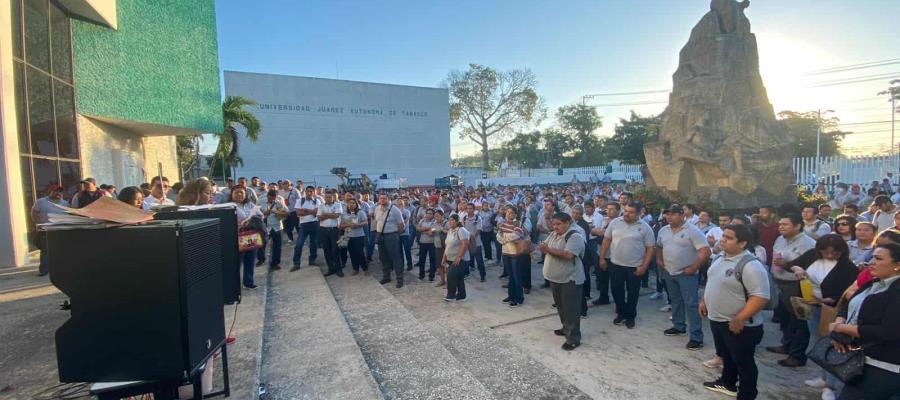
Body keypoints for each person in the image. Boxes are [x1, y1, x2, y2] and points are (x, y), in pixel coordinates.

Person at [786, 234, 860, 399]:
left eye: (835, 253)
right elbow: (790, 265)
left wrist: (823, 300)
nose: (830, 256)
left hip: (830, 309)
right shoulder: (812, 256)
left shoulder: (847, 267)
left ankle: (831, 384)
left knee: (831, 345)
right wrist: (797, 268)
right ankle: (823, 376)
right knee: (817, 341)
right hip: (811, 305)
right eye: (826, 252)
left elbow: (844, 294)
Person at [700, 224, 770, 400]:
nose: (722, 239)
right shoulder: (719, 257)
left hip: (740, 324)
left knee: (743, 361)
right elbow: (712, 281)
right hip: (718, 319)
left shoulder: (751, 265)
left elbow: (760, 297)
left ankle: (747, 394)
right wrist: (704, 300)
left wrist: (740, 319)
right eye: (723, 236)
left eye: (729, 238)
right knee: (727, 355)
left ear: (743, 243)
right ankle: (727, 382)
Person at [831, 243, 900, 400]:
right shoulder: (872, 283)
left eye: (878, 258)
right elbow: (847, 306)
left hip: (884, 366)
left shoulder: (897, 291)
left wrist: (842, 328)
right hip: (859, 360)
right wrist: (839, 327)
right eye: (872, 257)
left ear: (897, 265)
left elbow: (888, 331)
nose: (871, 262)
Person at [656, 204, 711, 350]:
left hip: (687, 274)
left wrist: (693, 268)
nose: (669, 217)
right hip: (669, 271)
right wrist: (659, 260)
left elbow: (705, 251)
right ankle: (679, 326)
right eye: (667, 214)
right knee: (675, 300)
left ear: (682, 215)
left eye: (673, 214)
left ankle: (696, 337)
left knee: (691, 305)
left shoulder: (693, 231)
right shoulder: (664, 230)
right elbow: (659, 246)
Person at [769, 214, 817, 367]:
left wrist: (788, 264)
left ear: (797, 226)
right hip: (780, 284)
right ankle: (786, 345)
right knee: (784, 319)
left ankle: (797, 355)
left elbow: (809, 266)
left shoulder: (808, 243)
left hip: (797, 286)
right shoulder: (780, 239)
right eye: (780, 224)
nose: (781, 227)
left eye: (785, 224)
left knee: (799, 322)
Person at [600, 201, 655, 329]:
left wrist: (644, 266)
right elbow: (606, 240)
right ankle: (620, 313)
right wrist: (602, 258)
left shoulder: (645, 227)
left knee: (633, 293)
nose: (626, 214)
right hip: (616, 264)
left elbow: (650, 248)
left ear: (639, 213)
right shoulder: (615, 223)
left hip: (635, 266)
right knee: (616, 290)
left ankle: (630, 316)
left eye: (631, 212)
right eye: (625, 211)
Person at [540, 212, 585, 350]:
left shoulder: (574, 236)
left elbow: (568, 254)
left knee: (571, 309)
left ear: (568, 223)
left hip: (569, 279)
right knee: (561, 307)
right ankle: (566, 329)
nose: (555, 227)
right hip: (556, 279)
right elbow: (544, 245)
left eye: (558, 224)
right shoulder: (554, 234)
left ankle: (573, 338)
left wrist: (547, 249)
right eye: (554, 224)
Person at [31, 185, 69, 276]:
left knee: (60, 250)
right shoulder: (41, 202)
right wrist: (38, 224)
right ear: (50, 191)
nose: (58, 193)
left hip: (60, 230)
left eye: (60, 192)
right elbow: (34, 212)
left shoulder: (65, 204)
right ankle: (44, 270)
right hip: (45, 230)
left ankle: (60, 269)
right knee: (45, 251)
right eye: (56, 191)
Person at [231, 186, 263, 289]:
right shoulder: (228, 206)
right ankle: (233, 285)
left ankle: (248, 282)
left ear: (245, 194)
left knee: (250, 259)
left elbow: (261, 216)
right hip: (235, 236)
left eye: (241, 192)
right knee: (236, 261)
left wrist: (251, 221)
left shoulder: (250, 205)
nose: (239, 194)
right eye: (236, 192)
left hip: (250, 235)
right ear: (231, 194)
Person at [498, 206, 530, 307]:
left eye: (511, 212)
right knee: (511, 276)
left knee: (516, 276)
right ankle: (511, 296)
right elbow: (498, 236)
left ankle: (519, 298)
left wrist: (504, 238)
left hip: (515, 253)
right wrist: (503, 239)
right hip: (506, 252)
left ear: (515, 214)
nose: (509, 214)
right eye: (507, 212)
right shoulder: (503, 224)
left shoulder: (518, 224)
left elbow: (516, 235)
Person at [375, 194, 406, 288]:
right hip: (380, 235)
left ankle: (399, 279)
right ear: (378, 200)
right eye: (381, 198)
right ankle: (386, 277)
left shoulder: (395, 210)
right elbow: (377, 221)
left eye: (384, 198)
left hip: (392, 236)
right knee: (383, 257)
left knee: (396, 258)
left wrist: (395, 234)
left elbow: (401, 225)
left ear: (389, 199)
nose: (382, 200)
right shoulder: (377, 209)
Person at [592, 201, 619, 306]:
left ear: (618, 210)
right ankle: (603, 298)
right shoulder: (604, 220)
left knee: (615, 281)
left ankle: (618, 303)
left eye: (612, 209)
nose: (610, 211)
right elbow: (594, 230)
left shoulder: (619, 222)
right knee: (601, 278)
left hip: (613, 255)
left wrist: (598, 231)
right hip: (601, 253)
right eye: (608, 209)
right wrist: (597, 231)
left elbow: (605, 233)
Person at [291, 186, 321, 270]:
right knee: (299, 245)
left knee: (313, 244)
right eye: (308, 191)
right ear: (305, 192)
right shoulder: (300, 201)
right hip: (304, 225)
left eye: (311, 191)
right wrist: (312, 212)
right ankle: (296, 264)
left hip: (315, 224)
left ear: (314, 192)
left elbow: (317, 212)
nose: (309, 193)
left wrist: (305, 210)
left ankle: (312, 260)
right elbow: (298, 213)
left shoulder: (317, 201)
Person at [443, 214, 470, 301]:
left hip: (460, 259)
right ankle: (462, 295)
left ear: (457, 221)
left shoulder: (461, 230)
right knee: (458, 277)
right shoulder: (450, 230)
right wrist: (444, 257)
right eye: (449, 220)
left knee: (451, 275)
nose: (450, 222)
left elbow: (465, 244)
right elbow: (447, 245)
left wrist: (459, 257)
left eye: (452, 220)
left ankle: (451, 295)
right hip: (450, 258)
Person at [260, 189, 288, 271]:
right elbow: (257, 214)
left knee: (277, 247)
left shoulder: (279, 203)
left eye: (274, 198)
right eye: (271, 197)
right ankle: (261, 259)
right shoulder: (261, 202)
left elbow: (287, 213)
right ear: (267, 196)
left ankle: (275, 263)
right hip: (265, 227)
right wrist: (265, 213)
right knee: (262, 244)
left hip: (277, 227)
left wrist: (275, 212)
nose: (272, 199)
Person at [339, 198, 369, 275]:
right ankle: (355, 269)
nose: (351, 205)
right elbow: (341, 225)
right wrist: (349, 225)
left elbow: (365, 222)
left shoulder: (360, 212)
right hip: (348, 236)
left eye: (353, 203)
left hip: (359, 236)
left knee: (360, 253)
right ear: (347, 205)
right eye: (350, 203)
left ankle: (365, 268)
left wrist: (358, 225)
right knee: (352, 253)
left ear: (356, 205)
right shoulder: (344, 214)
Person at [318, 190, 344, 277]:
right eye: (326, 197)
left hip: (334, 230)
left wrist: (325, 214)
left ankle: (338, 269)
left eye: (329, 197)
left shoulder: (337, 205)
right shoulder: (321, 205)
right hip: (323, 230)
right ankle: (331, 268)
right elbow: (319, 218)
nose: (327, 199)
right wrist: (330, 215)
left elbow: (336, 215)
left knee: (335, 249)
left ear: (333, 197)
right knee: (326, 250)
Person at [462, 203, 487, 282]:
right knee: (466, 259)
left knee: (479, 260)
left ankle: (482, 275)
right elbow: (463, 229)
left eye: (470, 208)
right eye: (468, 208)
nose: (469, 210)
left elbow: (478, 230)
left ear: (474, 209)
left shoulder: (477, 218)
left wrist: (471, 237)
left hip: (476, 243)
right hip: (467, 242)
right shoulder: (464, 218)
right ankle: (466, 273)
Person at [415, 208, 437, 280]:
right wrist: (426, 229)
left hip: (432, 243)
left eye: (430, 213)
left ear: (433, 215)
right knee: (422, 259)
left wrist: (422, 230)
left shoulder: (435, 222)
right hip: (423, 243)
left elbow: (431, 233)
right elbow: (417, 228)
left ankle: (431, 276)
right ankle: (421, 274)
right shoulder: (422, 220)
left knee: (432, 260)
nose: (428, 215)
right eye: (427, 213)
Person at [431, 210, 449, 286]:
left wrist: (442, 230)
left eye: (437, 216)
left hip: (446, 247)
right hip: (438, 246)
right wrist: (431, 232)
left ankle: (449, 281)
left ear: (442, 216)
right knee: (439, 265)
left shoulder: (447, 223)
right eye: (435, 216)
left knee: (447, 265)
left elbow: (451, 232)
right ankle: (442, 281)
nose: (436, 218)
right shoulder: (434, 223)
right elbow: (430, 233)